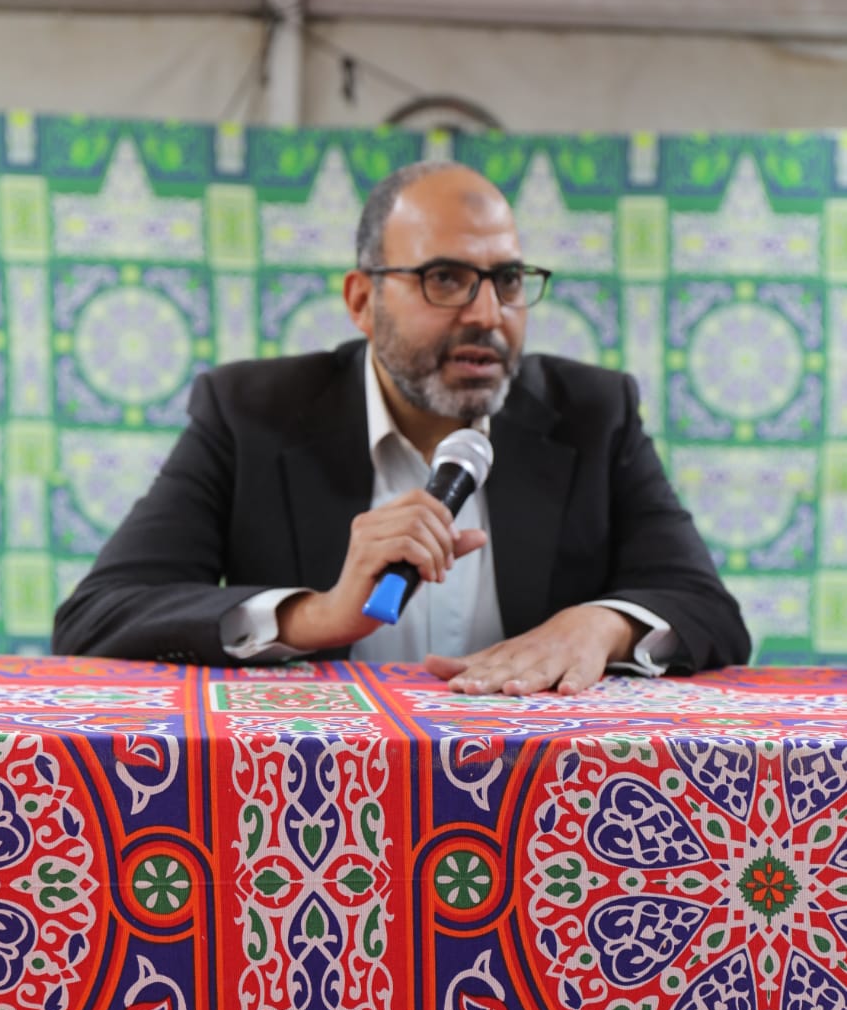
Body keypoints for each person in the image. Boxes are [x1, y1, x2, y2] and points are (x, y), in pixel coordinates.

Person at [52, 160, 751, 694]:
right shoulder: (251, 412)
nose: (487, 314)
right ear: (362, 300)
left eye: (508, 280)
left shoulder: (593, 413)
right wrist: (317, 616)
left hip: (537, 799)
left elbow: (707, 611)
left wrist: (598, 625)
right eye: (444, 278)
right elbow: (98, 617)